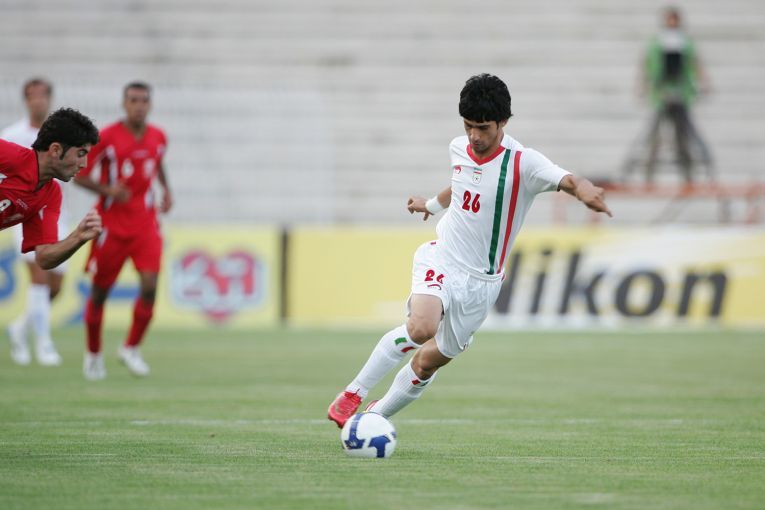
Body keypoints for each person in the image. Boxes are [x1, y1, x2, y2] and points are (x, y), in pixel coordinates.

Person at [328, 73, 612, 428]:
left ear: (503, 122)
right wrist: (431, 206)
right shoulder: (458, 147)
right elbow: (461, 184)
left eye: (483, 128)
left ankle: (373, 417)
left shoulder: (524, 163)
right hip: (443, 257)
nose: (474, 136)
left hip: (482, 284)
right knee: (421, 327)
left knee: (427, 363)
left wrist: (585, 191)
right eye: (468, 126)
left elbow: (568, 179)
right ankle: (353, 393)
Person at [74, 81, 172, 381]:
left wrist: (167, 190)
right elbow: (80, 175)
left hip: (145, 224)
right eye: (133, 100)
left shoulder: (159, 136)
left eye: (143, 100)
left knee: (150, 285)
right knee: (100, 293)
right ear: (124, 103)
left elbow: (158, 162)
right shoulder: (107, 137)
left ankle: (131, 348)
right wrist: (108, 190)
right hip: (111, 226)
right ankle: (93, 354)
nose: (139, 106)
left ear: (150, 104)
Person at [1, 107, 103, 362]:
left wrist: (77, 237)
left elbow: (45, 257)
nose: (84, 164)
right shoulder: (10, 156)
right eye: (81, 153)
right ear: (56, 150)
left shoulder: (50, 195)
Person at [2, 78, 67, 366]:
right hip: (23, 214)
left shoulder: (60, 136)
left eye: (43, 95)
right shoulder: (14, 134)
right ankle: (44, 344)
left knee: (56, 286)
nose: (38, 100)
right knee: (40, 275)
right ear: (26, 100)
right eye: (32, 96)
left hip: (53, 209)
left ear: (49, 99)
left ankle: (19, 328)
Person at [625, 6, 714, 183]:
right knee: (654, 136)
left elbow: (694, 63)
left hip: (681, 93)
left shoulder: (685, 43)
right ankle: (649, 174)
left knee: (684, 137)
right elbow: (647, 64)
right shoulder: (657, 43)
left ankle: (688, 175)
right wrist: (643, 85)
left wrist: (703, 83)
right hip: (660, 94)